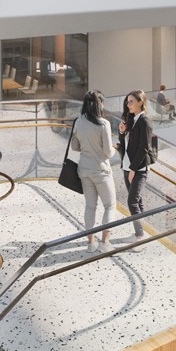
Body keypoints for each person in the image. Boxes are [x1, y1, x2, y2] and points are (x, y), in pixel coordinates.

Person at [68, 92, 120, 250]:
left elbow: (75, 147)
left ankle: (91, 243)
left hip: (83, 169)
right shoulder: (103, 124)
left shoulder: (78, 121)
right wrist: (115, 147)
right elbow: (107, 152)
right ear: (100, 104)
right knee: (110, 205)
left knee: (90, 206)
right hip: (101, 171)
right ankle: (105, 243)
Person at [120, 91, 154, 237]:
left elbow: (144, 147)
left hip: (138, 169)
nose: (129, 105)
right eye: (128, 102)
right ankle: (142, 233)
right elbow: (126, 146)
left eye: (132, 101)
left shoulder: (144, 121)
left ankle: (139, 235)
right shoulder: (132, 120)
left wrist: (133, 169)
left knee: (132, 202)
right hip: (127, 167)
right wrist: (122, 133)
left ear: (141, 102)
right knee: (138, 203)